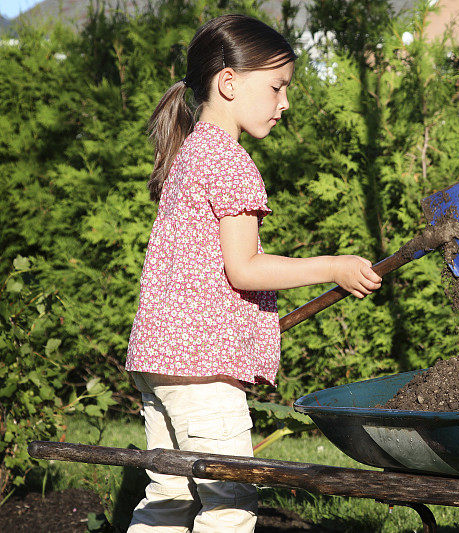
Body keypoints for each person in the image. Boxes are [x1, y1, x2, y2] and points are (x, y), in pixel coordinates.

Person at [125, 14, 382, 533]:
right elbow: (244, 269)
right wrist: (333, 265)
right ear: (228, 82)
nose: (285, 102)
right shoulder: (231, 162)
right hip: (203, 371)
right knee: (231, 502)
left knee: (169, 493)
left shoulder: (189, 153)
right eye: (277, 86)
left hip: (160, 360)